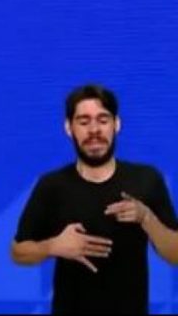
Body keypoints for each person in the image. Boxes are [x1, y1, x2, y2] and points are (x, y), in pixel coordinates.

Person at [11, 84, 178, 314]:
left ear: (116, 124)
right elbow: (18, 251)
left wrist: (146, 218)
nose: (94, 130)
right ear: (69, 127)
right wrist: (52, 246)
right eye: (84, 121)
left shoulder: (147, 179)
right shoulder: (51, 186)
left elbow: (175, 255)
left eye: (103, 120)